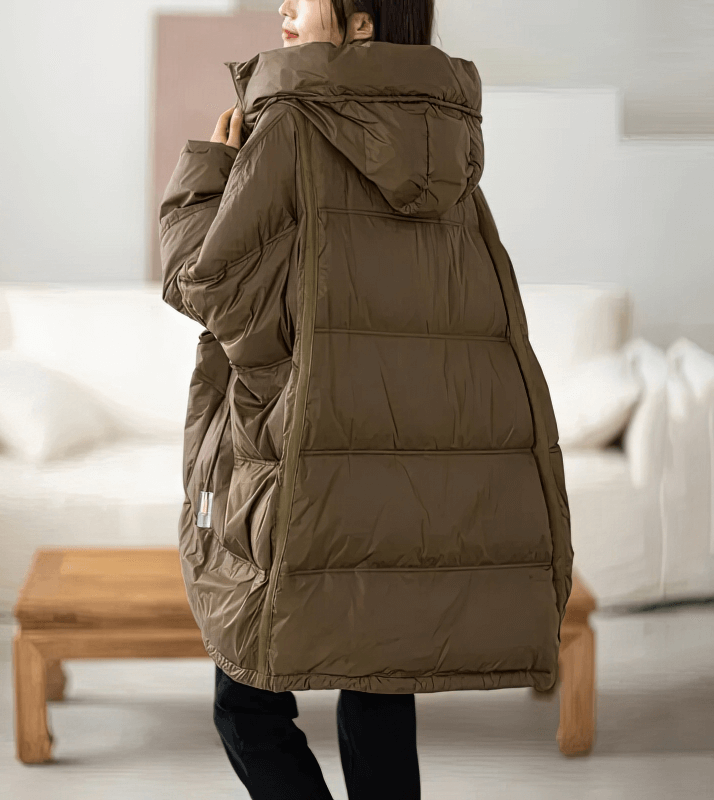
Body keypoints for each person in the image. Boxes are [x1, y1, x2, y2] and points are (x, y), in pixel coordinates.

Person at [159, 1, 574, 797]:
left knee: (245, 705)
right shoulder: (444, 141)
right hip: (405, 483)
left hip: (303, 462)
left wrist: (206, 175)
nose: (284, 6)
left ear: (360, 23)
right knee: (378, 695)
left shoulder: (290, 123)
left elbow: (206, 286)